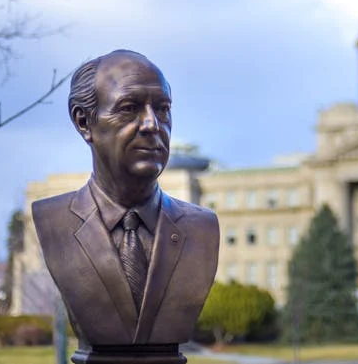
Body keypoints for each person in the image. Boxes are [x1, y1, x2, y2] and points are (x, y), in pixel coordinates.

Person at [32, 50, 219, 349]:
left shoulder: (201, 228)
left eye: (162, 109)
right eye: (130, 108)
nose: (152, 124)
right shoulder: (53, 220)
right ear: (84, 122)